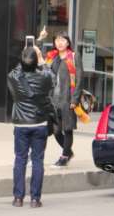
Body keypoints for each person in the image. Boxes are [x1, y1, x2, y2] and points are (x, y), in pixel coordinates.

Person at [6, 46, 55, 208]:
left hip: (21, 123)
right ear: (36, 62)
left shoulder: (14, 77)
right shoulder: (44, 78)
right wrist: (41, 60)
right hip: (39, 123)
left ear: (21, 61)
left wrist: (25, 58)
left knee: (20, 159)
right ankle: (35, 199)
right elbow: (51, 76)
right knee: (37, 160)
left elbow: (15, 71)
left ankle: (18, 198)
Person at [39, 30, 82, 167]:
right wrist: (40, 39)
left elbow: (79, 79)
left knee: (67, 129)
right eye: (57, 40)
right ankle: (68, 151)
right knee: (56, 130)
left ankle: (64, 156)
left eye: (63, 40)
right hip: (53, 100)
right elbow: (37, 58)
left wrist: (75, 100)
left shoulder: (74, 57)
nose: (60, 42)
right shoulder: (52, 57)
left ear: (68, 42)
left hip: (67, 99)